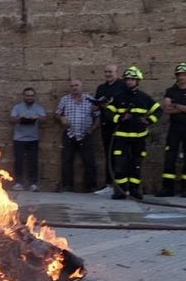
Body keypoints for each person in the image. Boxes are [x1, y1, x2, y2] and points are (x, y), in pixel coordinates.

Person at [106, 66, 160, 199]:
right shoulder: (118, 97)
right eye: (127, 79)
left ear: (137, 81)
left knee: (136, 165)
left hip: (139, 138)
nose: (129, 82)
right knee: (120, 165)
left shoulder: (144, 98)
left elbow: (158, 110)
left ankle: (134, 190)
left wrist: (148, 120)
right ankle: (120, 190)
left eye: (132, 79)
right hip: (121, 137)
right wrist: (119, 118)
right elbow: (107, 112)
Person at [160, 62, 186, 197]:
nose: (181, 77)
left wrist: (177, 105)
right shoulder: (171, 91)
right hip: (174, 129)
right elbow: (167, 109)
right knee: (169, 158)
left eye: (184, 75)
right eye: (179, 75)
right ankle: (168, 189)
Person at [55, 78, 99, 192]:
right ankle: (67, 186)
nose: (74, 88)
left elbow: (98, 115)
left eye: (77, 85)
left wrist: (93, 128)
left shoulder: (90, 100)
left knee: (89, 161)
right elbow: (57, 114)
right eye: (72, 86)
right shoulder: (65, 100)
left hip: (85, 135)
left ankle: (90, 187)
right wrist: (61, 118)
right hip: (70, 135)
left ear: (81, 86)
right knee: (67, 161)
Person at [93, 64, 126, 194]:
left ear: (116, 72)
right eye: (106, 72)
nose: (108, 74)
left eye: (110, 72)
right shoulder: (101, 88)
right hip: (106, 124)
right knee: (108, 154)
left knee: (120, 155)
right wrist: (98, 103)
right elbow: (96, 107)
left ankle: (120, 185)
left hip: (119, 125)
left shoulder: (122, 86)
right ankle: (109, 185)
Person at [10, 87, 46, 191]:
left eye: (31, 96)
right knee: (19, 161)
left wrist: (37, 117)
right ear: (24, 96)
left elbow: (44, 119)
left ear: (34, 96)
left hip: (33, 139)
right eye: (27, 95)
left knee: (33, 162)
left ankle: (33, 184)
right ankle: (18, 183)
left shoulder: (38, 107)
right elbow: (11, 119)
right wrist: (19, 118)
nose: (29, 97)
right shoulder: (17, 107)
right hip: (19, 139)